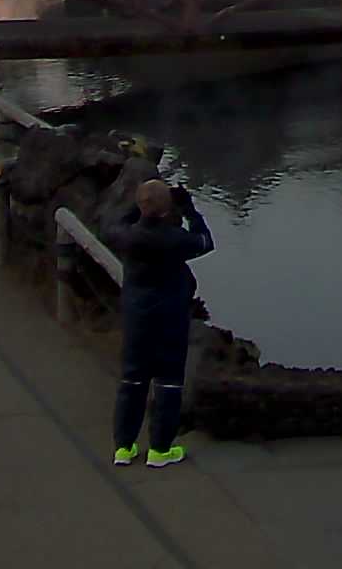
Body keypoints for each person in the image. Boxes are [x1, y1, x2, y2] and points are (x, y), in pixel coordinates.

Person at [101, 175, 215, 468]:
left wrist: (141, 203)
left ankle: (123, 448)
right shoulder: (175, 240)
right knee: (168, 384)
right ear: (168, 211)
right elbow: (205, 241)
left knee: (131, 382)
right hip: (170, 319)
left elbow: (109, 225)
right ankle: (160, 449)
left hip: (137, 318)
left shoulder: (127, 236)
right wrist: (189, 209)